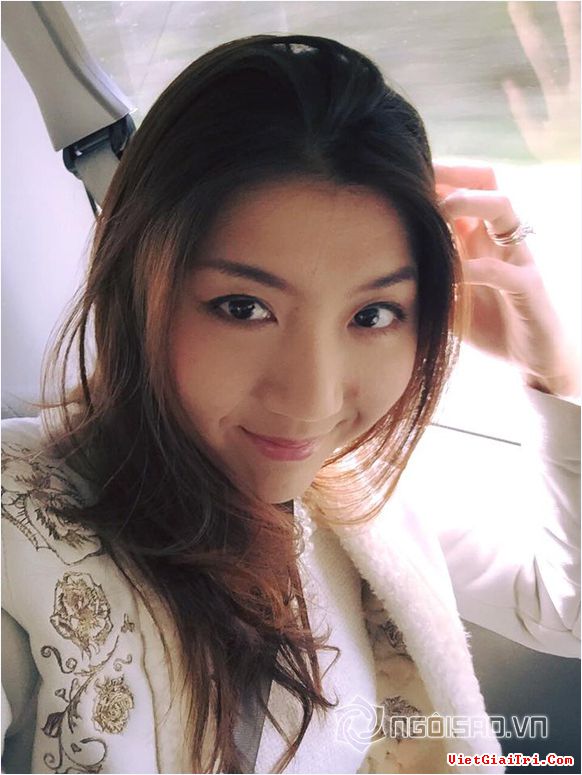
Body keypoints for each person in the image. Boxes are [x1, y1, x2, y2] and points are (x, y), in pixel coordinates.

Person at [1, 33, 579, 775]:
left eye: (372, 315)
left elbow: (565, 608)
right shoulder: (19, 532)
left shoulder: (355, 498)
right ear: (138, 288)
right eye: (243, 307)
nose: (310, 400)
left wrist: (550, 368)